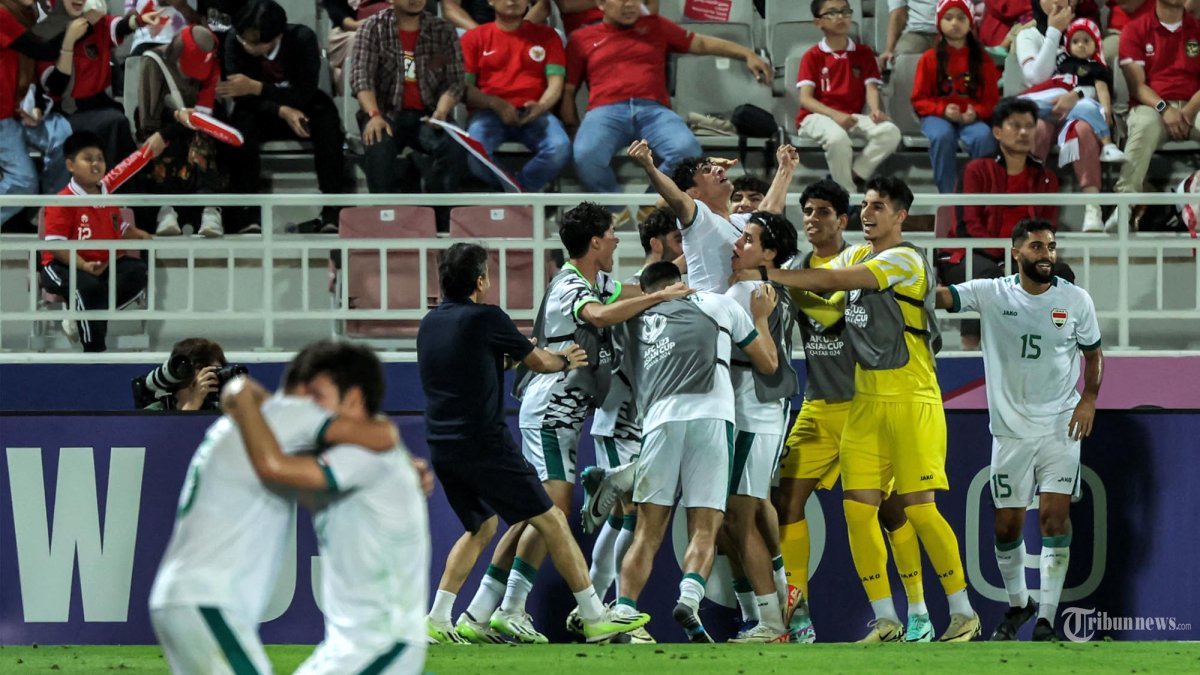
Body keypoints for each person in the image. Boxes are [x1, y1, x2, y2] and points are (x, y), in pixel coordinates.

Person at [740, 176, 981, 642]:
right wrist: (776, 293)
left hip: (912, 398)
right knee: (857, 511)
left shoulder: (906, 259)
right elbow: (830, 311)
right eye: (866, 205)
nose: (869, 213)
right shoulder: (856, 255)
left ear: (900, 216)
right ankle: (887, 620)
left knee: (920, 509)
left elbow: (836, 280)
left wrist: (769, 274)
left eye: (879, 206)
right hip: (865, 403)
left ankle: (962, 611)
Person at [417, 242, 653, 645]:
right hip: (484, 443)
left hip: (442, 443)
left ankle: (438, 618)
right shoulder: (487, 317)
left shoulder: (430, 323)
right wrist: (566, 359)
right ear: (480, 281)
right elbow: (538, 361)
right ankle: (594, 614)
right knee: (551, 519)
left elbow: (481, 361)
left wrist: (511, 357)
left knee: (482, 527)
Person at [486, 201, 691, 642]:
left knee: (538, 516)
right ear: (595, 241)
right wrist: (660, 296)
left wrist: (692, 256)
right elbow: (597, 315)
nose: (617, 239)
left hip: (565, 417)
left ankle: (486, 610)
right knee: (550, 513)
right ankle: (518, 608)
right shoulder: (568, 283)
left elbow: (632, 292)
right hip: (548, 412)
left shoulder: (596, 280)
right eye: (611, 234)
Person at [149, 342, 400, 674]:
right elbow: (372, 438)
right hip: (207, 603)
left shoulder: (258, 421)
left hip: (187, 600)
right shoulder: (288, 419)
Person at [770, 178, 930, 644]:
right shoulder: (795, 265)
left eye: (822, 212)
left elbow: (828, 315)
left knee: (893, 513)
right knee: (787, 502)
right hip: (819, 403)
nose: (812, 220)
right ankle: (796, 618)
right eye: (807, 211)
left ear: (842, 220)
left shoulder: (864, 259)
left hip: (867, 404)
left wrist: (774, 278)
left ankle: (916, 613)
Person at [936, 217, 1103, 642]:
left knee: (1053, 519)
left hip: (1060, 427)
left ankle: (1046, 618)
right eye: (1036, 247)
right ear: (1016, 252)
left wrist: (1088, 399)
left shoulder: (1076, 300)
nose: (1046, 254)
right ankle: (1019, 605)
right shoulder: (993, 293)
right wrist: (903, 280)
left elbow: (1094, 354)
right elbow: (943, 298)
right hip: (1009, 432)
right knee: (1006, 527)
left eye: (1050, 247)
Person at [222, 343, 432, 674]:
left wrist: (242, 399)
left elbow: (272, 466)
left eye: (316, 397)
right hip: (353, 648)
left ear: (353, 398)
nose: (305, 410)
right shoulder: (366, 446)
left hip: (379, 648)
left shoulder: (361, 455)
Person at [609, 260, 779, 643]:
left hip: (659, 421)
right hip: (713, 417)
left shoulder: (633, 320)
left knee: (647, 532)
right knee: (705, 527)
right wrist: (762, 319)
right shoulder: (719, 303)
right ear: (680, 282)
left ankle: (624, 611)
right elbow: (768, 363)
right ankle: (690, 596)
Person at [561, 0, 770, 197]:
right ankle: (616, 211)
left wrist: (747, 54)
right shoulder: (581, 38)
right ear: (601, 3)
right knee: (585, 156)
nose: (630, 4)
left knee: (687, 151)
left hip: (654, 111)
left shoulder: (656, 26)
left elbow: (702, 44)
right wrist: (572, 127)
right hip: (605, 111)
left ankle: (653, 205)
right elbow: (568, 91)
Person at [719, 211, 801, 643]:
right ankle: (778, 602)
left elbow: (767, 360)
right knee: (733, 518)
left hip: (752, 411)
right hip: (760, 411)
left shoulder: (744, 293)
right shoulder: (773, 288)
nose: (737, 244)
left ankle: (770, 621)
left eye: (748, 240)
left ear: (769, 253)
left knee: (736, 516)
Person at [939, 97, 1058, 349]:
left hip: (1021, 256)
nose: (1024, 132)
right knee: (989, 278)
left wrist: (1021, 256)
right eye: (1015, 125)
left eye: (1029, 125)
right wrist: (1006, 254)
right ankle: (971, 347)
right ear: (997, 132)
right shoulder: (976, 170)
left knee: (1060, 275)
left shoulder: (1045, 177)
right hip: (970, 254)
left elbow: (1047, 229)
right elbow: (967, 227)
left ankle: (1044, 346)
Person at [221, 0, 348, 234]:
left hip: (304, 106)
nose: (247, 46)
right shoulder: (233, 40)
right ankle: (248, 213)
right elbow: (239, 94)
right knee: (240, 127)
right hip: (262, 111)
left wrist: (257, 87)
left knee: (327, 120)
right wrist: (280, 110)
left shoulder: (302, 39)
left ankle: (333, 210)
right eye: (244, 40)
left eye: (254, 43)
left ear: (276, 36)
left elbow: (304, 92)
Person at [38, 131, 152, 354]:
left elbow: (117, 226)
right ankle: (94, 351)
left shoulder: (106, 197)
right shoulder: (62, 201)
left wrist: (140, 235)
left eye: (99, 158)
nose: (96, 164)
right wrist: (83, 265)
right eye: (88, 158)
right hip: (61, 266)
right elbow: (56, 246)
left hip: (101, 264)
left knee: (137, 271)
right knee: (89, 287)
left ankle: (77, 316)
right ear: (70, 165)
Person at [351, 0, 467, 218]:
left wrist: (442, 111)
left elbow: (455, 82)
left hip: (429, 114)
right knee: (378, 145)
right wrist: (374, 115)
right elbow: (361, 78)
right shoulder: (372, 28)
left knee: (453, 147)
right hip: (385, 113)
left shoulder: (443, 30)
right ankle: (384, 219)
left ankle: (442, 220)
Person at [629, 140, 791, 294]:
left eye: (716, 168)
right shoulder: (701, 219)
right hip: (712, 317)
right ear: (693, 193)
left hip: (742, 313)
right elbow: (677, 199)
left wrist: (785, 168)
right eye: (706, 171)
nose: (720, 170)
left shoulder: (738, 221)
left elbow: (769, 212)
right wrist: (650, 167)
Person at [460, 0, 570, 192]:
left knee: (560, 148)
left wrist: (542, 106)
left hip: (535, 112)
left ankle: (515, 192)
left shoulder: (547, 36)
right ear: (490, 1)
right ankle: (519, 196)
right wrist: (495, 103)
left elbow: (556, 83)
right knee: (474, 154)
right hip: (488, 112)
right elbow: (464, 89)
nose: (512, 1)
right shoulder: (473, 38)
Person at [1016, 0, 1104, 232]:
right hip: (1042, 109)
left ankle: (1092, 207)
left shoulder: (1086, 30)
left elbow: (1099, 78)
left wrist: (1074, 95)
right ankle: (1028, 209)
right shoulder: (1028, 36)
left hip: (1078, 107)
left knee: (1083, 130)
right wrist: (1054, 31)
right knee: (1038, 130)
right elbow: (1036, 77)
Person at [38, 2, 159, 169]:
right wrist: (68, 42)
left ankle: (126, 185)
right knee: (115, 123)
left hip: (100, 104)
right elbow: (56, 87)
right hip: (67, 112)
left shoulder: (96, 23)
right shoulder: (45, 32)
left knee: (118, 120)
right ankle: (120, 187)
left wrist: (138, 20)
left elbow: (118, 26)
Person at [796, 0, 901, 194]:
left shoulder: (864, 52)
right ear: (818, 22)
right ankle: (847, 194)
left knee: (890, 132)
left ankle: (852, 176)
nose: (840, 17)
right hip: (814, 117)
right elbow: (806, 100)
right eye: (832, 13)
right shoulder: (812, 55)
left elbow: (871, 87)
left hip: (850, 115)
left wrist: (875, 110)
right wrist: (835, 115)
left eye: (845, 11)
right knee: (837, 138)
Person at [1113, 0, 1200, 227]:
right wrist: (1164, 108)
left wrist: (1190, 110)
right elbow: (1136, 86)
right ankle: (1125, 205)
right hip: (1152, 107)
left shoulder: (1198, 28)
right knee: (1144, 126)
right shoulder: (1135, 29)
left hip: (1194, 105)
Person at [136, 24, 226, 237]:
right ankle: (166, 209)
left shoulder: (211, 60)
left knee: (206, 133)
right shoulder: (153, 62)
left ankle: (210, 207)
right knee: (160, 139)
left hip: (198, 122)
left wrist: (193, 117)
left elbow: (209, 108)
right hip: (162, 123)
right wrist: (178, 118)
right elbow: (149, 118)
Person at [911, 0, 1000, 194]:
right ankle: (948, 197)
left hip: (971, 118)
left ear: (970, 23)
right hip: (937, 117)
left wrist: (976, 112)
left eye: (961, 18)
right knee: (942, 136)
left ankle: (980, 195)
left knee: (983, 136)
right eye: (948, 18)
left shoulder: (983, 59)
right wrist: (941, 110)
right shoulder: (929, 58)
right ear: (939, 23)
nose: (954, 23)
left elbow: (991, 101)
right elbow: (919, 100)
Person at [0, 0, 73, 232]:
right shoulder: (2, 14)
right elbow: (42, 50)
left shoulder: (30, 15)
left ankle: (51, 213)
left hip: (18, 109)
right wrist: (73, 33)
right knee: (23, 182)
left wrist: (37, 106)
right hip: (2, 117)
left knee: (62, 133)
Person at [1017, 18, 1124, 167]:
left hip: (1076, 106)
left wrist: (1106, 110)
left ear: (1096, 43)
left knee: (1088, 108)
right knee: (1031, 106)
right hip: (1055, 98)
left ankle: (1108, 145)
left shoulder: (1097, 68)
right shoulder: (1063, 61)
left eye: (1086, 41)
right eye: (1075, 42)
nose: (1080, 45)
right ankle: (1017, 109)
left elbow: (1102, 89)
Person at [143, 338, 228, 411]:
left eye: (216, 370)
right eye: (202, 367)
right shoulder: (153, 413)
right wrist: (194, 402)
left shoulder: (218, 410)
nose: (211, 375)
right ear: (183, 370)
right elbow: (179, 428)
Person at [323, 0, 389, 91]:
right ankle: (352, 95)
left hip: (381, 29)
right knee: (359, 39)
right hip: (345, 33)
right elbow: (349, 24)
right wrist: (373, 22)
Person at [879, 0, 937, 70]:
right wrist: (889, 49)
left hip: (949, 30)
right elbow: (898, 14)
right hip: (917, 31)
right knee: (904, 58)